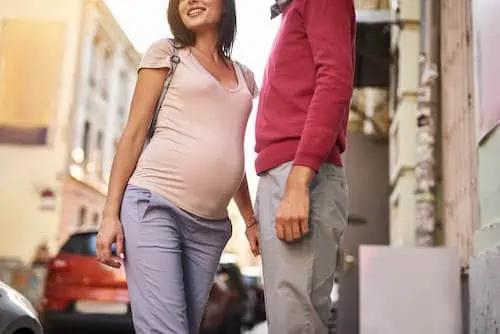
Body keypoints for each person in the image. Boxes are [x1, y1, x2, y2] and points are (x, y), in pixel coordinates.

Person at [95, 0, 259, 333]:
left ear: (226, 6)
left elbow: (232, 152)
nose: (190, 1)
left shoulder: (245, 78)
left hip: (210, 228)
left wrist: (250, 219)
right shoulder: (166, 53)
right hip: (154, 207)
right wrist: (110, 214)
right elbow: (134, 134)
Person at [254, 0, 356, 332]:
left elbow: (335, 80)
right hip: (286, 173)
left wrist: (298, 183)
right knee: (292, 321)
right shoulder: (294, 9)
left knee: (295, 323)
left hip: (298, 175)